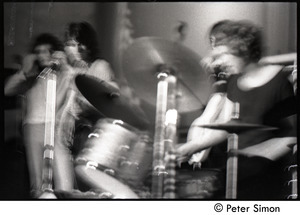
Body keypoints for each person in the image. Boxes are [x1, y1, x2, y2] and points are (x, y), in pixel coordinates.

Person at [176, 20, 296, 199]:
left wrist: (258, 154)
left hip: (266, 178)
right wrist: (193, 146)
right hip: (235, 172)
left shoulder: (279, 81)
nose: (219, 62)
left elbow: (292, 135)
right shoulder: (233, 83)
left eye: (223, 55)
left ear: (243, 49)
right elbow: (227, 127)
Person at [52, 21, 120, 195]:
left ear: (88, 45)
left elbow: (103, 105)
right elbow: (58, 105)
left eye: (76, 44)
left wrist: (77, 107)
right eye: (69, 44)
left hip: (94, 140)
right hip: (73, 138)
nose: (74, 49)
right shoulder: (72, 70)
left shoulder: (100, 66)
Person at [4, 33, 69, 198]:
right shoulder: (32, 77)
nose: (42, 55)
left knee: (64, 181)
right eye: (38, 52)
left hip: (54, 128)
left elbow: (61, 97)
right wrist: (25, 69)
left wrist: (64, 65)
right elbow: (7, 90)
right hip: (33, 127)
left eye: (46, 51)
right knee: (38, 182)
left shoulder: (61, 74)